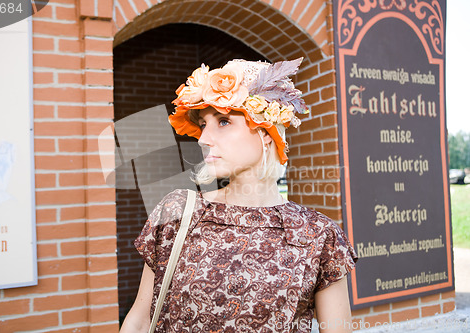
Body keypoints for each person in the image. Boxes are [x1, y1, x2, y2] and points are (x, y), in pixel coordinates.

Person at [120, 58, 358, 333]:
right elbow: (138, 321)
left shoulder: (318, 235)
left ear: (266, 132)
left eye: (223, 121)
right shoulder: (178, 212)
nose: (203, 138)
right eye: (203, 123)